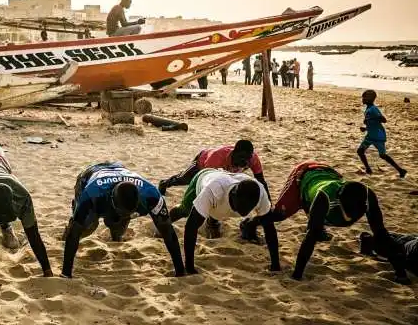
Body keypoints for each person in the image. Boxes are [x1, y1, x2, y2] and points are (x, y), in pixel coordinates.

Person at [240, 161, 409, 283]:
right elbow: (310, 237)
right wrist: (297, 275)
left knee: (378, 233)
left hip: (328, 172)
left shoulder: (367, 195)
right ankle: (250, 224)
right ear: (339, 202)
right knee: (278, 215)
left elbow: (381, 233)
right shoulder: (325, 198)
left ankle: (365, 242)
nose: (356, 217)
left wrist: (400, 273)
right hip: (303, 176)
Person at [61, 162, 185, 278]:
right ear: (112, 202)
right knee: (87, 227)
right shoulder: (92, 195)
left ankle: (116, 235)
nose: (124, 216)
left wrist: (180, 271)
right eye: (122, 213)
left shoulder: (151, 196)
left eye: (128, 214)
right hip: (89, 176)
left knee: (119, 227)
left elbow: (168, 231)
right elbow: (75, 233)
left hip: (118, 170)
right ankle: (70, 223)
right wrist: (66, 274)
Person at [167, 168, 278, 274]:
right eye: (242, 207)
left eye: (250, 208)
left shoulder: (260, 193)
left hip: (223, 186)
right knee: (184, 210)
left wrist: (275, 265)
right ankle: (162, 224)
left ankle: (214, 222)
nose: (244, 212)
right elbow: (191, 227)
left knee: (264, 217)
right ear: (234, 195)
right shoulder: (212, 190)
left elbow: (270, 229)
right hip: (203, 178)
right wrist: (189, 266)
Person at [357, 90, 407, 178]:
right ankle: (368, 169)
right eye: (362, 97)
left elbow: (383, 120)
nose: (363, 99)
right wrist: (365, 128)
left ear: (370, 99)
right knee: (360, 151)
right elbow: (373, 123)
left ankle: (400, 170)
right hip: (370, 135)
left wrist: (372, 118)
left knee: (382, 155)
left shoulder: (373, 109)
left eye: (364, 97)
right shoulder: (368, 109)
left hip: (378, 136)